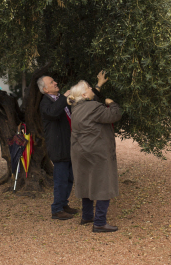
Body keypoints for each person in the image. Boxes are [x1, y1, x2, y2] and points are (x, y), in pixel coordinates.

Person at [67, 77, 122, 233]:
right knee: (103, 183)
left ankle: (87, 215)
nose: (92, 90)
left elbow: (92, 101)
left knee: (86, 181)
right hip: (96, 151)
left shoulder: (76, 107)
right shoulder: (93, 107)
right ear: (84, 95)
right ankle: (99, 222)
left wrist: (99, 84)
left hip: (81, 151)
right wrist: (112, 103)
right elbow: (114, 115)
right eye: (90, 88)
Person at [38, 75, 78, 220]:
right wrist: (64, 98)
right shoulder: (45, 103)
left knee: (69, 178)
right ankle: (56, 209)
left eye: (54, 81)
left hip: (69, 145)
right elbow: (53, 113)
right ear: (45, 89)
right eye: (51, 82)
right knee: (61, 179)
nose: (56, 83)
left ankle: (63, 203)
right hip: (58, 146)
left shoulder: (60, 99)